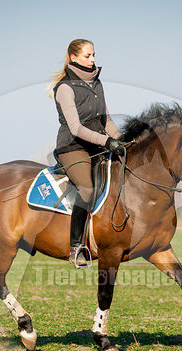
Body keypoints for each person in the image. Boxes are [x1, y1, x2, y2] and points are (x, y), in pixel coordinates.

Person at [48, 39, 125, 268]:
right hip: (73, 147)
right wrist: (107, 141)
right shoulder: (64, 88)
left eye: (94, 55)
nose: (93, 60)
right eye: (88, 56)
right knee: (87, 188)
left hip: (99, 145)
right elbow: (76, 128)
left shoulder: (97, 84)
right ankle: (76, 248)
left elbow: (106, 120)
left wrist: (122, 140)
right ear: (73, 58)